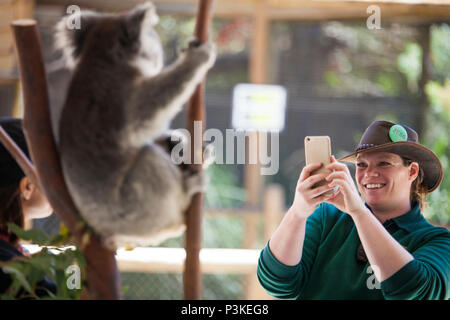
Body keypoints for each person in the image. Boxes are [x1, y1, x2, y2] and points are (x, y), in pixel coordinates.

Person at [257, 120, 450, 300]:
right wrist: (298, 212)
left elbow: (413, 291)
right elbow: (277, 284)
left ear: (412, 171)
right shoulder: (326, 217)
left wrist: (358, 212)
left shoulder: (437, 241)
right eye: (361, 165)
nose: (369, 174)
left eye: (384, 163)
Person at [0, 117, 55, 298]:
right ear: (27, 187)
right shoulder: (11, 268)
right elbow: (71, 293)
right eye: (52, 174)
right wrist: (76, 267)